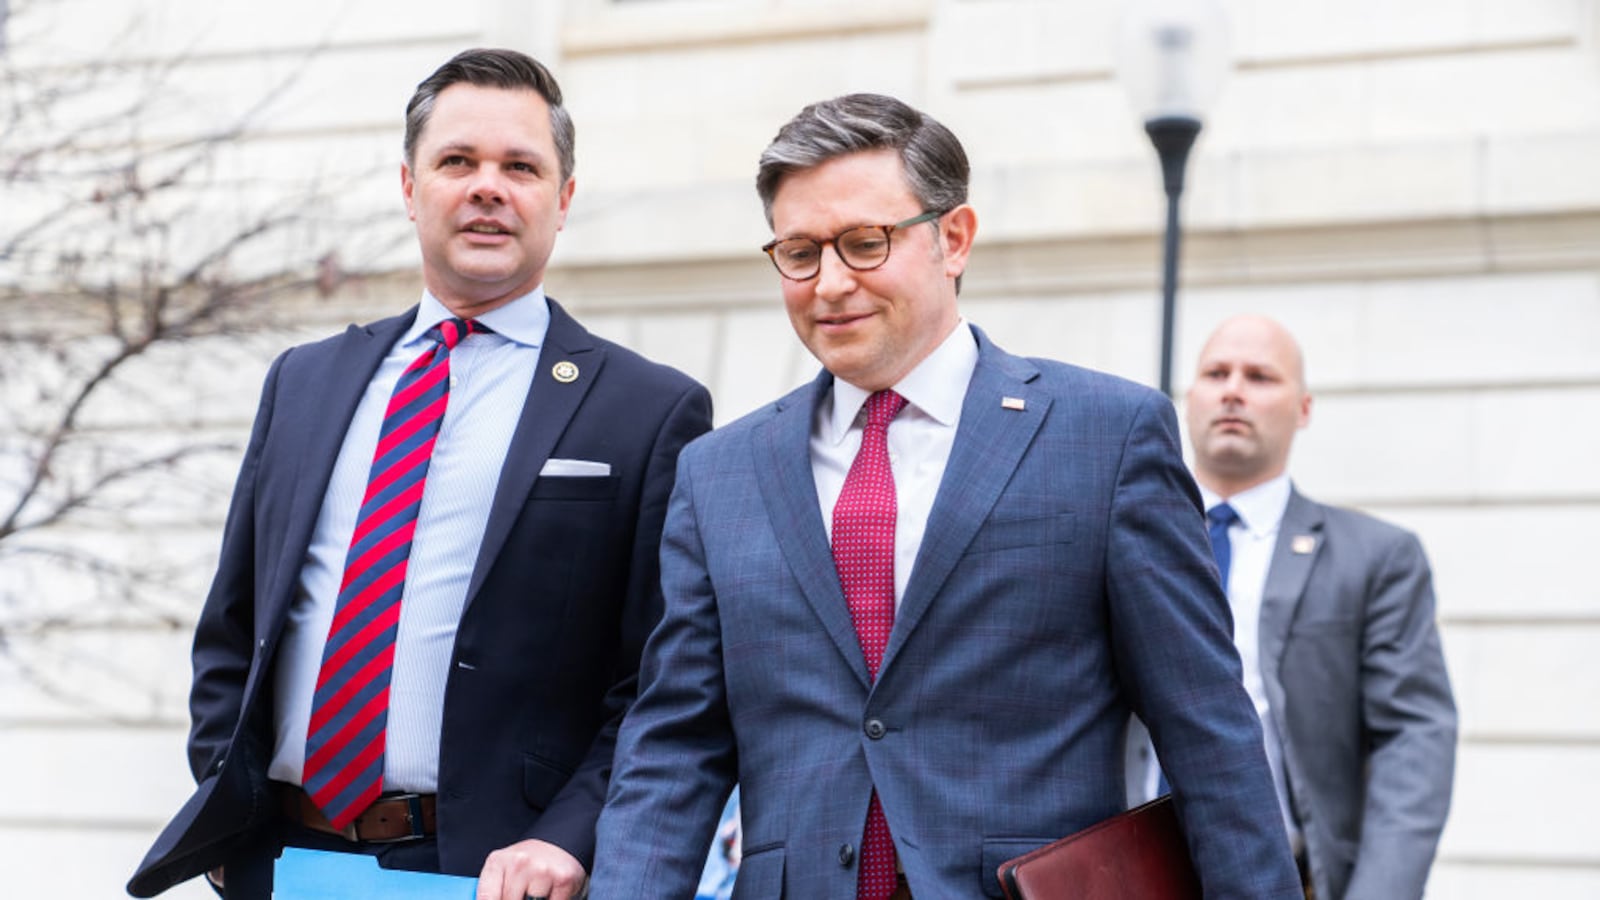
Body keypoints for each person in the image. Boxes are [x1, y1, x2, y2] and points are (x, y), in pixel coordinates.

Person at [590, 93, 1300, 898]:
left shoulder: (1107, 437)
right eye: (799, 252)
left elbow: (1206, 730)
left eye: (864, 243)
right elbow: (674, 748)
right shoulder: (718, 472)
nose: (829, 284)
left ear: (953, 239)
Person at [127, 48, 712, 900]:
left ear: (564, 199)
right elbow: (235, 624)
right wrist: (226, 798)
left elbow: (657, 682)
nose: (487, 187)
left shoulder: (649, 410)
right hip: (279, 861)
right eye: (456, 162)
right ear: (410, 188)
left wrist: (568, 837)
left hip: (484, 875)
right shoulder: (305, 379)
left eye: (520, 166)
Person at [1151, 314, 1457, 898]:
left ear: (1305, 408)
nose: (1234, 389)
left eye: (1261, 376)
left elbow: (1414, 741)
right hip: (1121, 872)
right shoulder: (1122, 537)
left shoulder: (1376, 558)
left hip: (1290, 880)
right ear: (1190, 400)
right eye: (1216, 373)